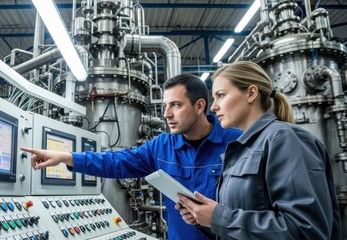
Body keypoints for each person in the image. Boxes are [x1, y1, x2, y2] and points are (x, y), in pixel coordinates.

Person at [21, 73, 242, 240]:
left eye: (176, 105)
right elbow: (115, 162)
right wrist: (66, 157)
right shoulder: (161, 146)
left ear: (200, 106)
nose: (166, 114)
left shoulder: (238, 143)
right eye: (165, 106)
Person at [175, 61, 341, 239]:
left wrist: (219, 217)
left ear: (251, 93)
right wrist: (205, 219)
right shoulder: (243, 150)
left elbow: (305, 230)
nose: (214, 106)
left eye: (221, 95)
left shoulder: (285, 139)